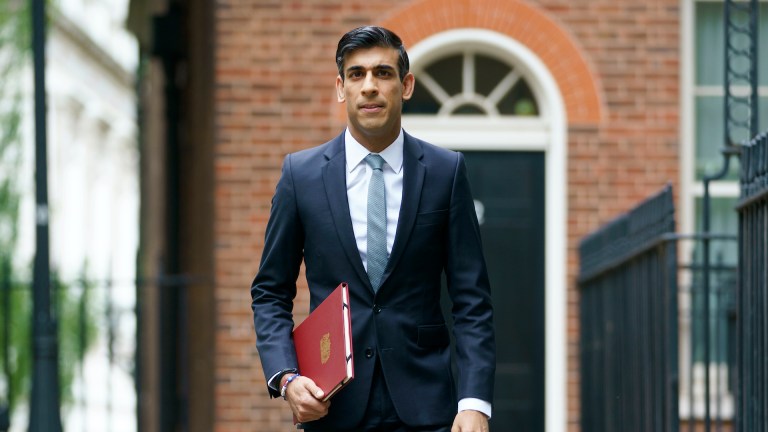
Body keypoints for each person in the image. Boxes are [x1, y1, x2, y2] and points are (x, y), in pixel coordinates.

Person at [251, 25, 495, 432]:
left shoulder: (445, 172)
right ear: (341, 88)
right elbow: (270, 292)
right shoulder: (301, 176)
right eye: (356, 74)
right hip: (333, 407)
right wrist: (286, 377)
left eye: (382, 73)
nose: (369, 86)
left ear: (407, 85)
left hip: (428, 410)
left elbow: (472, 301)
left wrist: (473, 402)